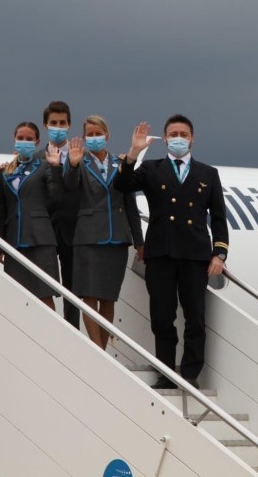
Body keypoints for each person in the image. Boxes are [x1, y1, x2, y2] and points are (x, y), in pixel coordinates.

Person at [114, 115, 228, 389]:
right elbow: (122, 185)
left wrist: (219, 253)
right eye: (173, 134)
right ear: (165, 139)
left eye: (183, 134)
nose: (179, 138)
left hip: (195, 255)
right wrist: (133, 153)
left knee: (195, 318)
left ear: (192, 139)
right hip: (161, 254)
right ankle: (166, 374)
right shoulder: (151, 169)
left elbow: (218, 218)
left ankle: (189, 375)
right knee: (162, 318)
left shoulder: (207, 174)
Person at [63, 116, 145, 349]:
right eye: (89, 134)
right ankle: (95, 350)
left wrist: (139, 241)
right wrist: (73, 165)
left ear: (107, 135)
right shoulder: (79, 161)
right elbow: (69, 187)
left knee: (108, 298)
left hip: (116, 238)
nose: (94, 138)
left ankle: (101, 351)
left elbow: (130, 205)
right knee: (88, 295)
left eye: (98, 133)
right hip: (88, 238)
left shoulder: (121, 163)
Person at [0, 122, 63, 310]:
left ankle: (50, 330)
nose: (24, 142)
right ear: (14, 139)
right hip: (15, 241)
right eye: (20, 138)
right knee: (16, 298)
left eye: (29, 139)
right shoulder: (5, 171)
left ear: (37, 142)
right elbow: (2, 208)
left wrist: (56, 167)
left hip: (40, 240)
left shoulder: (45, 166)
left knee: (44, 296)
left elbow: (57, 195)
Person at [43, 100, 81, 328]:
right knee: (41, 288)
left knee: (73, 291)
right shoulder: (36, 157)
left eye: (62, 123)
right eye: (54, 123)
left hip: (73, 231)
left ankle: (72, 333)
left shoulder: (82, 157)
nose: (58, 127)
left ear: (69, 125)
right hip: (45, 231)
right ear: (45, 125)